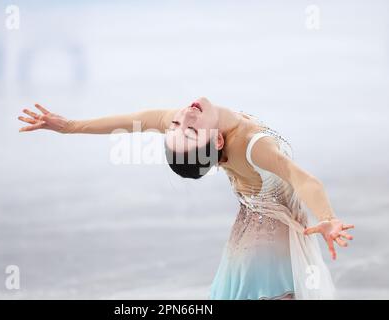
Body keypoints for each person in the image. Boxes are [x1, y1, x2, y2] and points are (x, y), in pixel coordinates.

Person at [18, 97, 354, 299]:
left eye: (177, 124)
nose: (183, 117)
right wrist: (327, 218)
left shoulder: (185, 120)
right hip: (268, 232)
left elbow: (133, 121)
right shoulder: (253, 145)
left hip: (253, 211)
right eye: (188, 129)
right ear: (218, 143)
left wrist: (71, 126)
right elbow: (303, 179)